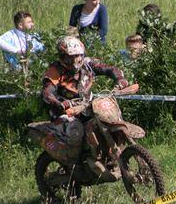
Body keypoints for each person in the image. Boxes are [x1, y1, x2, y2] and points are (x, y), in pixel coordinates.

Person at [41, 36, 128, 171]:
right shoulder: (55, 70)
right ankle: (74, 166)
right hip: (65, 112)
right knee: (75, 130)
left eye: (77, 56)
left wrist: (120, 79)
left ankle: (111, 152)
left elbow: (109, 69)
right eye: (70, 57)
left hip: (87, 106)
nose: (75, 60)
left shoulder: (88, 64)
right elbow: (47, 92)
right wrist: (59, 103)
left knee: (110, 116)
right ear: (62, 56)